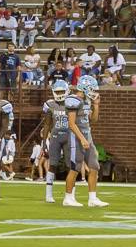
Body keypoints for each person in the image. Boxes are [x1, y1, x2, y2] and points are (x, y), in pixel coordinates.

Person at [63, 75, 107, 208]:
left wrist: (96, 105)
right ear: (84, 88)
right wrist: (82, 139)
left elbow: (93, 120)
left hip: (88, 137)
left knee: (94, 167)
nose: (93, 92)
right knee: (75, 168)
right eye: (92, 89)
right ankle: (68, 198)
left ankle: (92, 198)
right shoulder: (73, 100)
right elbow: (71, 124)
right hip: (76, 138)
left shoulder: (87, 101)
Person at [41, 78, 71, 203]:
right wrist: (44, 142)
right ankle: (48, 194)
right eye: (57, 92)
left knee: (71, 166)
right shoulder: (50, 105)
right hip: (55, 137)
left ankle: (70, 195)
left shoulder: (72, 103)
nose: (59, 94)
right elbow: (47, 124)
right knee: (52, 164)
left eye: (61, 92)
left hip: (69, 137)